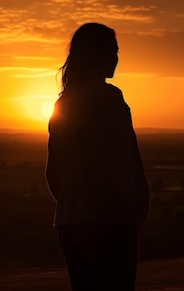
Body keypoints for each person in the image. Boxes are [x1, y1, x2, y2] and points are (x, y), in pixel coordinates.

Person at [45, 23, 150, 291]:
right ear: (93, 54)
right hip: (108, 221)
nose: (115, 58)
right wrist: (127, 206)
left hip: (70, 222)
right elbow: (111, 165)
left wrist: (74, 200)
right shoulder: (107, 98)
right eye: (110, 51)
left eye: (117, 51)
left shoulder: (64, 102)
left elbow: (52, 172)